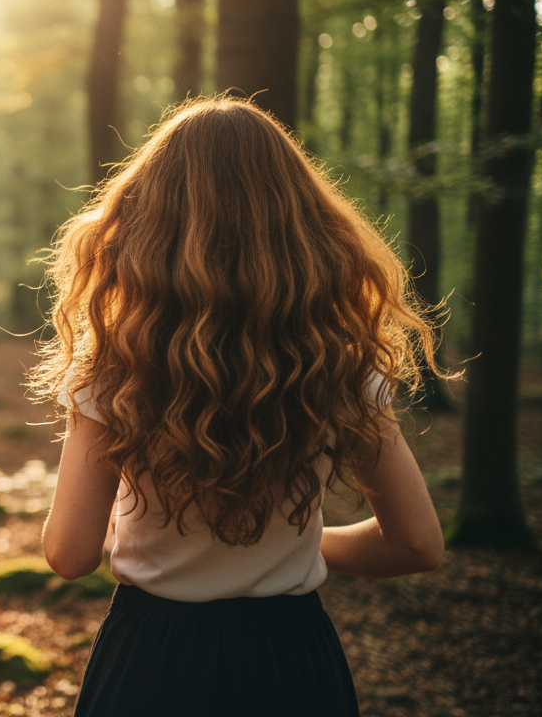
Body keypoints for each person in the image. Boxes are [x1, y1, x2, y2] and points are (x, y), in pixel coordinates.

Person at [31, 98, 447, 717]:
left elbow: (69, 554)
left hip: (151, 659)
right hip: (292, 661)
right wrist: (302, 547)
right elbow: (416, 545)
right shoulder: (339, 360)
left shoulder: (116, 363)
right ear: (300, 221)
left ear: (148, 221)